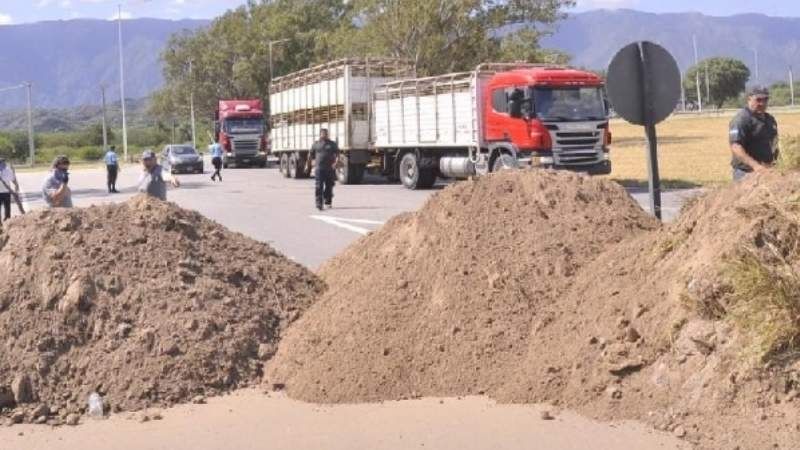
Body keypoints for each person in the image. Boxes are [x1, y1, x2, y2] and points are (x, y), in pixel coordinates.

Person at [729, 85, 779, 181]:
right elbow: (736, 146)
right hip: (746, 173)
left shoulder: (770, 120)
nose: (762, 103)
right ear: (749, 99)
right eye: (758, 100)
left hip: (767, 171)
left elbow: (775, 144)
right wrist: (756, 166)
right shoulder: (741, 119)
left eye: (765, 99)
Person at [306, 128, 339, 210]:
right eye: (322, 133)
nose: (324, 135)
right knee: (319, 186)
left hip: (329, 169)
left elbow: (338, 154)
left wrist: (336, 163)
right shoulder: (316, 144)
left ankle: (328, 201)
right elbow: (310, 155)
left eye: (325, 133)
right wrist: (307, 165)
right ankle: (319, 204)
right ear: (320, 134)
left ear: (327, 134)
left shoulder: (332, 144)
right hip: (319, 169)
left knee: (329, 186)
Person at [0, 156, 20, 223]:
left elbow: (13, 179)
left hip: (6, 191)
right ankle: (5, 222)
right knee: (7, 208)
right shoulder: (8, 170)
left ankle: (7, 221)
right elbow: (13, 180)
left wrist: (16, 186)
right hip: (6, 192)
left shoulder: (8, 170)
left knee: (7, 208)